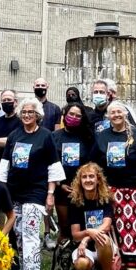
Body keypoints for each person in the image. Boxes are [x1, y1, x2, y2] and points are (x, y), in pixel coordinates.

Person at [0, 97, 64, 270]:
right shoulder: (14, 135)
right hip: (14, 192)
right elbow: (5, 165)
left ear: (37, 115)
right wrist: (2, 192)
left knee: (31, 237)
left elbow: (53, 167)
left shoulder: (46, 136)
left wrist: (50, 194)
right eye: (24, 112)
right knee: (18, 236)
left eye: (31, 112)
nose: (27, 115)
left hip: (36, 192)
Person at [91, 100, 136, 270]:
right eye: (113, 112)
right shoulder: (102, 136)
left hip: (134, 191)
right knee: (113, 231)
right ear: (108, 116)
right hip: (110, 191)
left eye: (119, 112)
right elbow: (95, 164)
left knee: (134, 232)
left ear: (125, 114)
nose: (116, 115)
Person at [69, 163, 116, 270]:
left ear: (98, 179)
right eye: (84, 177)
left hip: (104, 247)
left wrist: (87, 237)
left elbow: (106, 226)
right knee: (81, 264)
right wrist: (88, 232)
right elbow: (75, 235)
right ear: (80, 181)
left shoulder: (105, 198)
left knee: (103, 239)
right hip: (84, 249)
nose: (88, 180)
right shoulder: (75, 202)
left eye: (91, 176)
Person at [51, 101, 96, 241]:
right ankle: (64, 249)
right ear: (64, 115)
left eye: (78, 115)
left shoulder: (88, 137)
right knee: (64, 227)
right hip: (62, 188)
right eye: (71, 114)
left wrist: (81, 185)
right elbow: (50, 163)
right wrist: (60, 184)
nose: (74, 117)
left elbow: (92, 162)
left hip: (84, 188)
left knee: (81, 225)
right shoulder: (54, 136)